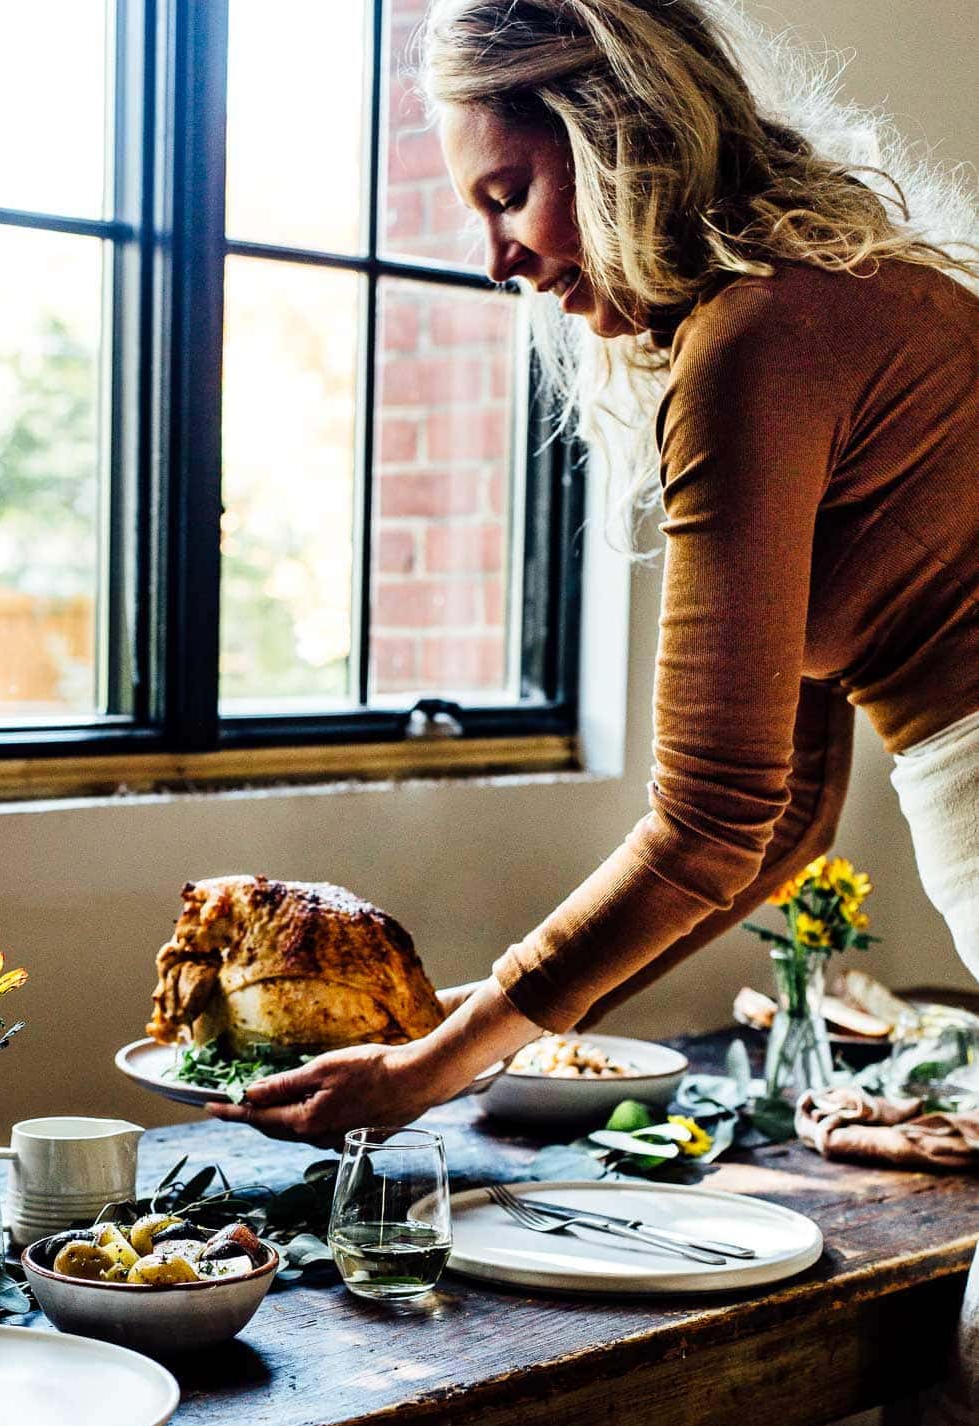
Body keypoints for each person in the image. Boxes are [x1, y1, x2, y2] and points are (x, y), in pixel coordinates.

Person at [213, 0, 979, 1148]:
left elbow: (708, 824)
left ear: (617, 132)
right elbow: (781, 822)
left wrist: (428, 1074)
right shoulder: (849, 290)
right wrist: (478, 1028)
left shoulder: (754, 340)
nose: (496, 260)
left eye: (507, 194)